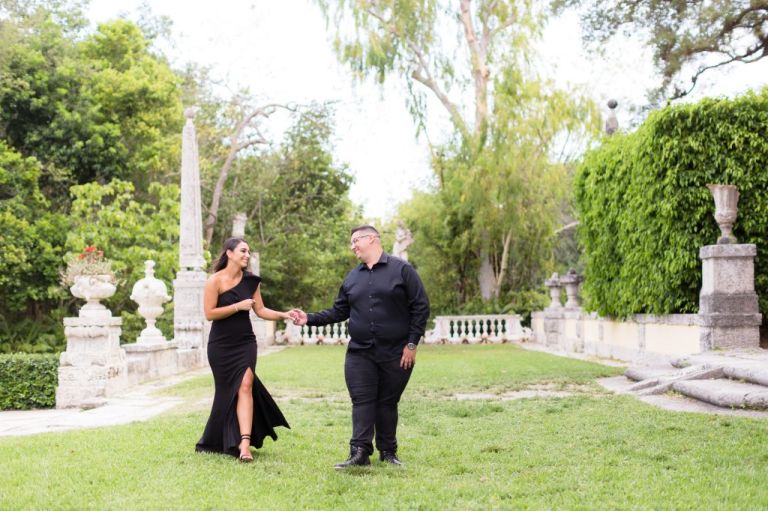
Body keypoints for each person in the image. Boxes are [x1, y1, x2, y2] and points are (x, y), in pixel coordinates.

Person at [292, 225, 430, 469]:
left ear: (372, 239)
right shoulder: (352, 277)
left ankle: (388, 451)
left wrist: (412, 343)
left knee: (387, 402)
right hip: (360, 353)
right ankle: (359, 452)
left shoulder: (402, 270)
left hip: (397, 352)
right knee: (362, 400)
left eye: (356, 240)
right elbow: (339, 311)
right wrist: (308, 318)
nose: (352, 246)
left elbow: (421, 307)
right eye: (351, 242)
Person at [195, 237, 290, 462]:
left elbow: (261, 310)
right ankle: (218, 438)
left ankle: (244, 444)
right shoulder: (214, 281)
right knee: (226, 392)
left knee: (246, 385)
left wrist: (284, 314)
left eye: (248, 251)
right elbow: (209, 313)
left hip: (245, 343)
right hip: (220, 345)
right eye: (243, 251)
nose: (247, 255)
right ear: (229, 253)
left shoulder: (251, 281)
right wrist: (237, 306)